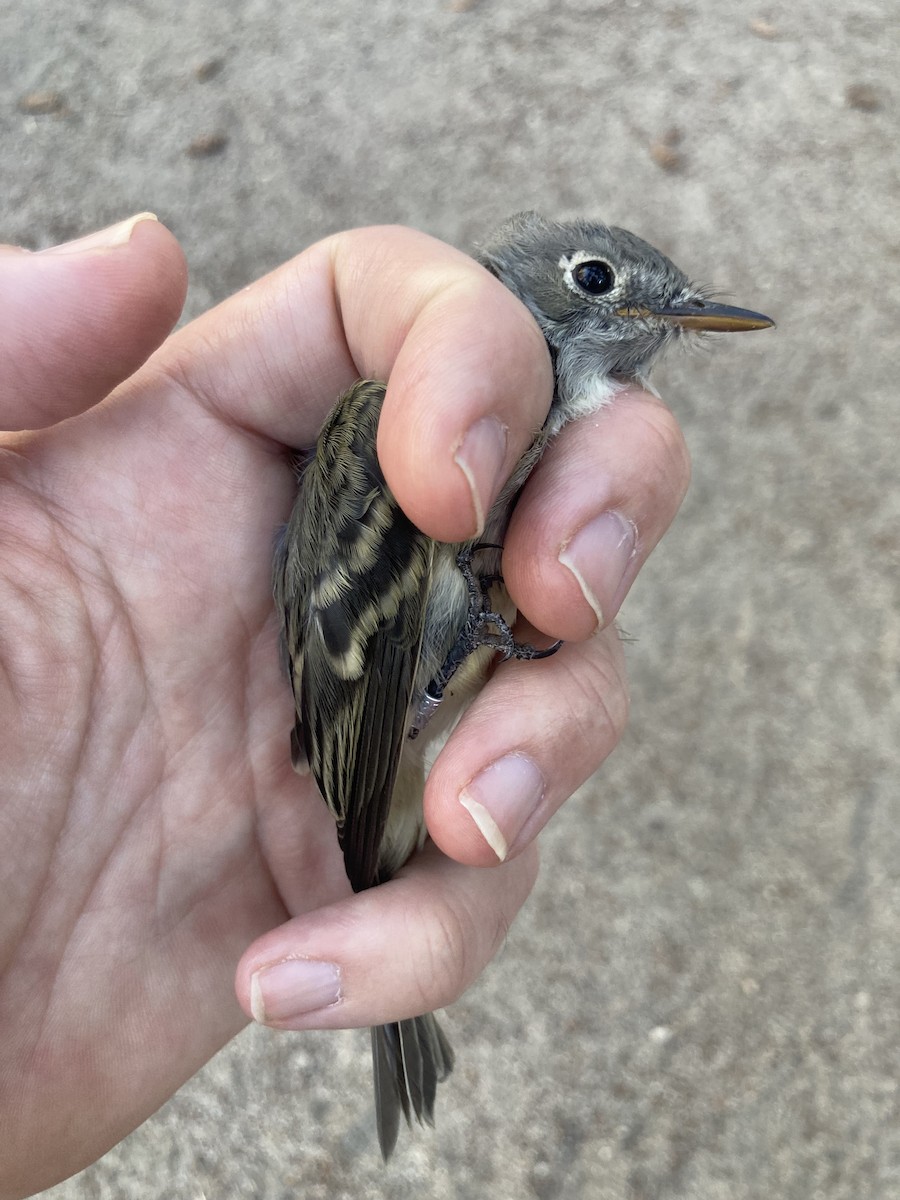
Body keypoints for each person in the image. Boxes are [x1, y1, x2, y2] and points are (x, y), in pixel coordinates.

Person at [0, 214, 690, 1197]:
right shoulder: (393, 414)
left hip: (350, 750)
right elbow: (371, 672)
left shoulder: (499, 433)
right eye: (596, 280)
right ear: (530, 281)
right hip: (359, 739)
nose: (632, 313)